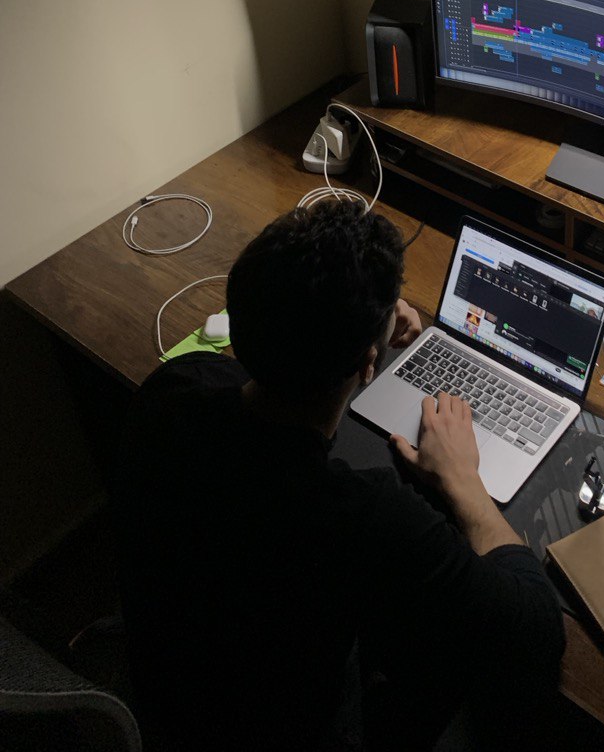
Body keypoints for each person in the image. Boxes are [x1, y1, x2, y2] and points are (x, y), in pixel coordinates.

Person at [114, 202, 564, 752]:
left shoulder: (172, 391)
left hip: (173, 693)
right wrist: (463, 479)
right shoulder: (363, 517)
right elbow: (535, 631)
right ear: (369, 365)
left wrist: (357, 318)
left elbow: (257, 356)